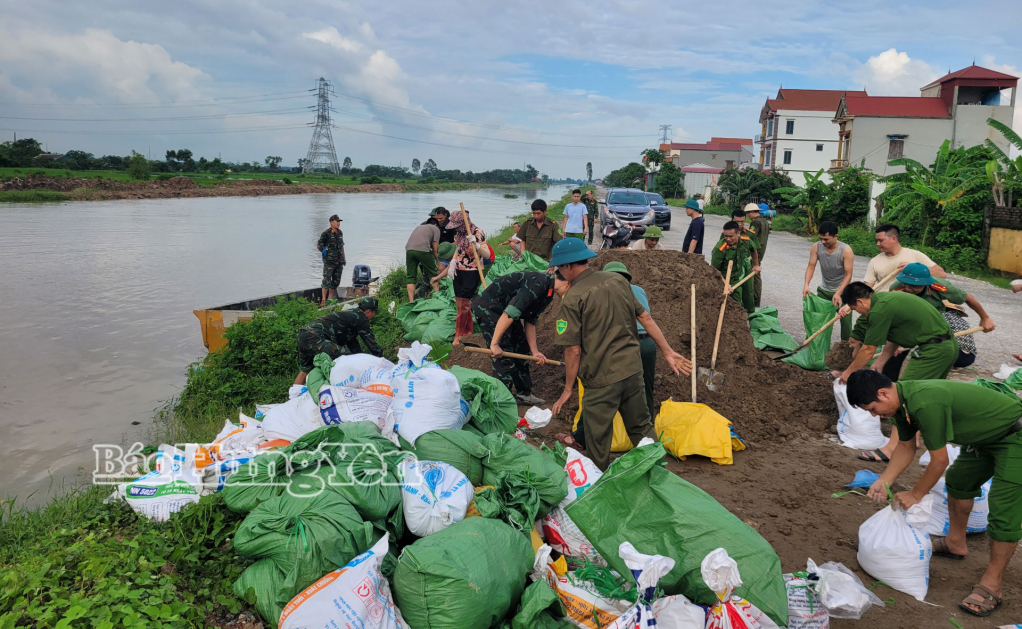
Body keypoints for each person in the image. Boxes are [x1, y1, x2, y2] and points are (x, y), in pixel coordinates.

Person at [847, 370, 1022, 618]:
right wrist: (884, 480)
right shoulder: (901, 405)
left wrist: (915, 494)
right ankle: (955, 543)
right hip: (986, 439)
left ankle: (992, 584)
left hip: (1015, 436)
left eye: (873, 409)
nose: (875, 415)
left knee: (1004, 511)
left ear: (883, 393)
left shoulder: (924, 402)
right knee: (959, 481)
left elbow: (939, 460)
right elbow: (906, 445)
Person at [548, 238, 691, 471]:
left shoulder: (572, 299)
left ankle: (600, 480)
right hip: (632, 370)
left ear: (568, 266)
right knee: (641, 427)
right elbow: (645, 317)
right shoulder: (618, 281)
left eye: (559, 268)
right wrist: (668, 351)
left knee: (597, 435)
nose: (559, 273)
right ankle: (659, 472)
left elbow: (573, 350)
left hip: (602, 378)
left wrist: (567, 389)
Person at [835, 282, 959, 463]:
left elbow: (868, 349)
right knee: (924, 395)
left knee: (902, 394)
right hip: (945, 346)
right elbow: (894, 335)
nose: (859, 313)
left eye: (855, 309)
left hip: (933, 349)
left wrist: (848, 372)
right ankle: (914, 436)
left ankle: (891, 448)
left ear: (860, 302)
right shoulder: (886, 301)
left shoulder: (878, 310)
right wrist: (881, 361)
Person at [471, 271, 570, 405]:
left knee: (521, 348)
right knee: (503, 356)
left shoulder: (548, 292)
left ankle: (523, 394)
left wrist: (535, 351)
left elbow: (530, 321)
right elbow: (509, 314)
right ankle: (502, 403)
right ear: (567, 283)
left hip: (505, 311)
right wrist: (494, 344)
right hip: (489, 308)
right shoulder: (538, 284)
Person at [889, 262, 995, 369]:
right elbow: (895, 315)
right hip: (909, 319)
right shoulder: (896, 289)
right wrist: (897, 340)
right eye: (905, 284)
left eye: (913, 286)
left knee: (962, 359)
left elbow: (969, 298)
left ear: (925, 284)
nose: (908, 289)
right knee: (894, 353)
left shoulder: (941, 286)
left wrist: (985, 318)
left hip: (936, 317)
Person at [603, 262, 656, 419]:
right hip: (647, 343)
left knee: (611, 387)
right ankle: (648, 427)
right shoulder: (639, 290)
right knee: (645, 387)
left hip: (624, 342)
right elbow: (646, 317)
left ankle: (611, 424)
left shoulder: (605, 292)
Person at [294, 298, 382, 385]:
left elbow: (352, 343)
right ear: (368, 311)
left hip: (303, 334)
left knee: (305, 370)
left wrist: (361, 358)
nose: (373, 315)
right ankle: (348, 385)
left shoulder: (351, 315)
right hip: (315, 336)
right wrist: (381, 362)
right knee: (345, 358)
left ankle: (294, 393)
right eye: (374, 312)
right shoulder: (361, 318)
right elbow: (371, 343)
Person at [802, 221, 855, 342]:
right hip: (824, 291)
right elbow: (811, 266)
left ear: (835, 236)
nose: (823, 242)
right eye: (820, 238)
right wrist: (806, 285)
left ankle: (846, 347)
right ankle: (814, 345)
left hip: (843, 292)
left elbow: (848, 275)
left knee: (846, 323)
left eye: (826, 239)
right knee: (818, 321)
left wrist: (838, 293)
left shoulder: (846, 251)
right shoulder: (816, 247)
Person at [447, 209, 488, 346]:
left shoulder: (477, 233)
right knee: (459, 301)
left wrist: (476, 245)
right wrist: (453, 261)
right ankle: (468, 331)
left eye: (457, 226)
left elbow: (487, 254)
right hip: (459, 270)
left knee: (463, 302)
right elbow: (458, 249)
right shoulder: (459, 234)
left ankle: (458, 335)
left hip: (472, 271)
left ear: (463, 223)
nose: (456, 229)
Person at [864, 223, 946, 291]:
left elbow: (941, 274)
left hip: (909, 300)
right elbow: (867, 288)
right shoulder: (874, 261)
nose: (878, 244)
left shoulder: (915, 255)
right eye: (877, 241)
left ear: (894, 239)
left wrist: (913, 268)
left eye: (881, 240)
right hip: (884, 300)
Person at [710, 221, 760, 314]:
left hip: (741, 273)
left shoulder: (745, 241)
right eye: (726, 236)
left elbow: (754, 249)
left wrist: (756, 265)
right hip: (726, 279)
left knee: (749, 297)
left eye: (731, 236)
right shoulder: (719, 249)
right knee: (734, 304)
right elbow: (714, 270)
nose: (728, 239)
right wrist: (725, 284)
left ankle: (750, 318)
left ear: (738, 233)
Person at [404, 217, 441, 302]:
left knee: (410, 277)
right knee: (433, 274)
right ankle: (438, 299)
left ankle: (411, 301)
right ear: (436, 225)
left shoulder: (419, 227)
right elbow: (435, 248)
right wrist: (438, 262)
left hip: (409, 250)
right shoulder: (436, 228)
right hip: (423, 251)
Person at [746, 203, 771, 308]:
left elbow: (750, 237)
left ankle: (752, 300)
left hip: (755, 251)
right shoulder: (765, 221)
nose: (747, 216)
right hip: (762, 250)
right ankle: (756, 300)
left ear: (752, 212)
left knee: (752, 274)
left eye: (748, 213)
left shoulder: (755, 222)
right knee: (756, 274)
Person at [317, 214, 345, 305]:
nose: (338, 223)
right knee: (326, 279)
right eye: (337, 221)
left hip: (339, 261)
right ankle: (323, 300)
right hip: (329, 261)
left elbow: (341, 246)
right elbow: (319, 245)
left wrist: (343, 258)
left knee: (336, 281)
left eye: (339, 221)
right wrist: (324, 252)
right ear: (331, 222)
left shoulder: (340, 233)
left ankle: (330, 298)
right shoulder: (326, 233)